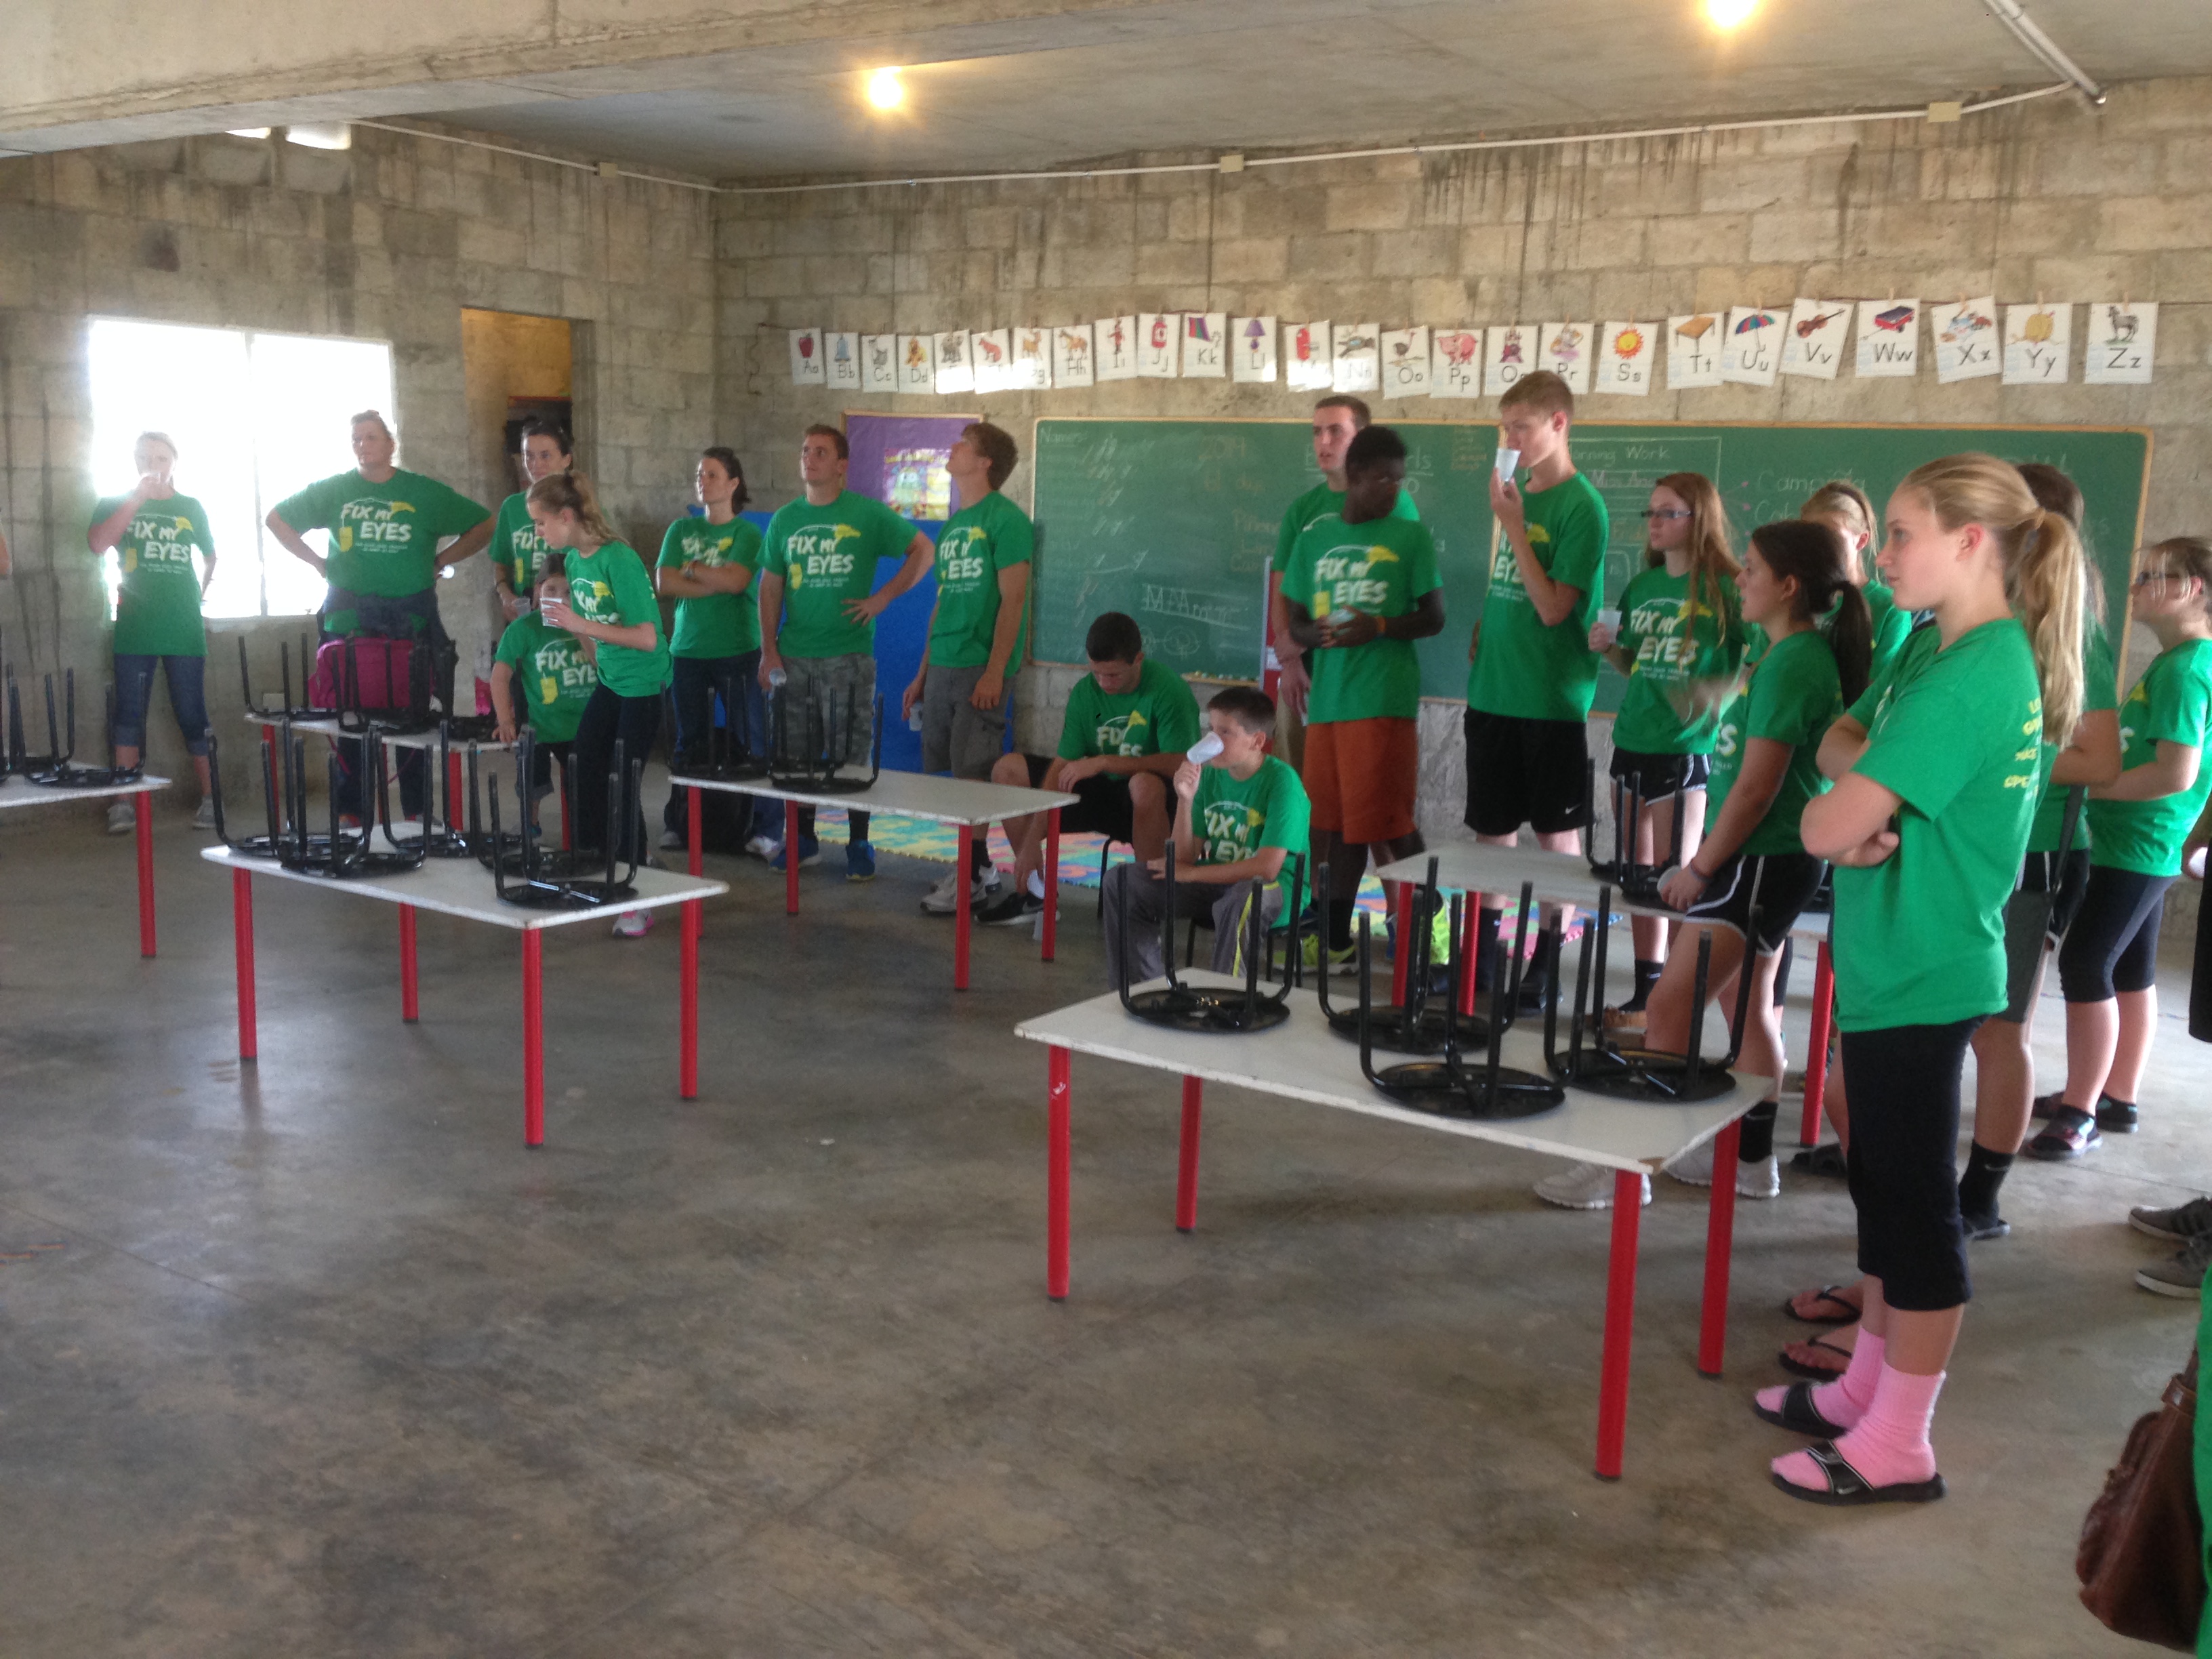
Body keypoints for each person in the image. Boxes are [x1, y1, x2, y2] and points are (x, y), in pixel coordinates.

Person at [1755, 453, 2083, 1506]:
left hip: (1925, 966)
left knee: (1917, 1213)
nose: (1881, 554)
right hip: (1899, 959)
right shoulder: (1938, 649)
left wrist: (1849, 815)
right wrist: (1861, 802)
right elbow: (1844, 744)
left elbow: (1820, 822)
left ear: (1970, 542)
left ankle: (1901, 1441)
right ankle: (1864, 1389)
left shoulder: (1976, 674)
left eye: (1900, 533)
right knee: (1886, 1194)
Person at [1539, 520, 1866, 1211]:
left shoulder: (1795, 662)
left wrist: (1700, 866)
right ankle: (1749, 1162)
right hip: (1766, 861)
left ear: (1789, 586)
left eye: (1751, 569)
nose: (1738, 579)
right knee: (1747, 1011)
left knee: (1667, 1008)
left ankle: (1628, 1167)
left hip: (1757, 860)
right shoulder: (1784, 656)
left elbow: (1757, 789)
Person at [2029, 536, 2212, 1168]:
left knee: (2086, 964)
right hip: (2134, 842)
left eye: (2150, 577)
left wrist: (2092, 783)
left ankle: (2080, 1114)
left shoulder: (2188, 668)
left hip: (2138, 844)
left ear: (2190, 589)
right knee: (2132, 971)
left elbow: (2177, 773)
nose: (2134, 588)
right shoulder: (2180, 662)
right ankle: (2116, 1097)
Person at [1463, 370, 1610, 1008]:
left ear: (1559, 423)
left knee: (1555, 835)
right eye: (1505, 428)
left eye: (1521, 427)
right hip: (1494, 689)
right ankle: (1482, 956)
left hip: (1549, 698)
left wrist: (1515, 525)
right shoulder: (1516, 494)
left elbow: (1553, 609)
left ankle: (1547, 960)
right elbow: (1511, 584)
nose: (1512, 439)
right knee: (1491, 831)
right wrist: (1486, 625)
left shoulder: (1582, 506)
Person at [266, 410, 492, 818]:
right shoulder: (335, 490)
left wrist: (441, 560)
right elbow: (277, 519)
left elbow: (484, 524)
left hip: (411, 618)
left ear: (390, 444)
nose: (363, 445)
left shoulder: (422, 492)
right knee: (351, 717)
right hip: (348, 619)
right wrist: (317, 562)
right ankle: (352, 812)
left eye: (371, 437)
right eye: (356, 438)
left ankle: (416, 812)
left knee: (414, 718)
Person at [1277, 424, 1444, 970]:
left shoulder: (1410, 537)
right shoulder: (1314, 539)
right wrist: (1319, 634)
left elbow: (1434, 617)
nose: (1392, 490)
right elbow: (1296, 623)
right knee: (1337, 825)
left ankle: (1436, 927)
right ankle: (1334, 939)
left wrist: (1379, 626)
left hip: (1383, 701)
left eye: (1398, 479)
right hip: (1329, 702)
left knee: (1390, 822)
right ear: (1352, 476)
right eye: (1381, 479)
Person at [1593, 471, 1745, 1021]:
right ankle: (1647, 988)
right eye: (1651, 513)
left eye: (1667, 513)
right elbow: (1633, 664)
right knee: (1636, 876)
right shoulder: (1643, 586)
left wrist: (1722, 693)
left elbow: (1760, 658)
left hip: (1685, 745)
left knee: (1675, 876)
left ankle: (1678, 1002)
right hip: (1633, 736)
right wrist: (1609, 649)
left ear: (1698, 519)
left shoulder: (1729, 587)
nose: (1654, 523)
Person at [757, 424, 935, 881]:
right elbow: (770, 586)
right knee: (794, 755)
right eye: (805, 450)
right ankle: (803, 840)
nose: (809, 458)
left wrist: (884, 597)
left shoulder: (867, 513)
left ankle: (859, 842)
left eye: (820, 452)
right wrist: (769, 651)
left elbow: (923, 550)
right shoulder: (784, 520)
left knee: (852, 753)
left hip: (849, 655)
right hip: (795, 655)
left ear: (842, 465)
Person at [987, 613, 1201, 927]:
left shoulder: (1169, 690)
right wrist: (1032, 839)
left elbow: (1182, 762)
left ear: (1138, 660)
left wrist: (1106, 761)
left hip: (1154, 804)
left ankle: (1149, 903)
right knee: (1008, 769)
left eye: (1113, 675)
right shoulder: (1085, 692)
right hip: (1100, 795)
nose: (1103, 683)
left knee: (1144, 784)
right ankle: (1036, 892)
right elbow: (1062, 764)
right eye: (1096, 672)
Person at [530, 471, 670, 938]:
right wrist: (589, 648)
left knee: (623, 781)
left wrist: (581, 626)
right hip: (612, 682)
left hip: (644, 685)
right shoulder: (574, 561)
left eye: (542, 522)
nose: (539, 533)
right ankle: (594, 864)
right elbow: (588, 629)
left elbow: (647, 637)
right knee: (584, 764)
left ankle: (637, 892)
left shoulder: (619, 559)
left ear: (567, 517)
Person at [903, 422, 1033, 919]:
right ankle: (979, 867)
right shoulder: (956, 523)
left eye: (964, 445)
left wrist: (995, 671)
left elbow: (1013, 600)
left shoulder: (1007, 520)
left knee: (975, 773)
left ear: (985, 463)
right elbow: (942, 603)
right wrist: (923, 672)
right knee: (951, 778)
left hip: (981, 663)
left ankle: (971, 876)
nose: (952, 449)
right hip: (945, 660)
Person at [1101, 687, 1309, 988]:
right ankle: (1141, 990)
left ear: (1257, 741)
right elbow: (1182, 858)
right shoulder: (1210, 775)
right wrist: (1185, 799)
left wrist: (1191, 874)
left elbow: (1266, 869)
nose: (1213, 740)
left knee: (1243, 897)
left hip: (1274, 890)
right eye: (1211, 729)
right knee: (1123, 882)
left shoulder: (1282, 782)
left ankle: (1228, 997)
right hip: (1216, 879)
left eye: (1225, 732)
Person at [1267, 395, 1419, 770]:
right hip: (1304, 669)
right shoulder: (1302, 509)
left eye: (1336, 431)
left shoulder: (1393, 504)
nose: (1324, 442)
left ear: (1361, 439)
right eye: (1317, 432)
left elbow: (1385, 594)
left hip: (1364, 674)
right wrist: (1290, 661)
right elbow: (1282, 588)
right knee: (1296, 775)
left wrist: (1309, 637)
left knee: (1357, 779)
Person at [87, 432, 218, 831]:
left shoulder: (190, 507)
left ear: (174, 462)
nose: (153, 465)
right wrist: (136, 499)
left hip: (183, 626)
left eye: (161, 458)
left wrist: (200, 596)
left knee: (192, 711)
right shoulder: (116, 503)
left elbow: (211, 556)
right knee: (128, 713)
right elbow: (98, 544)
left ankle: (212, 799)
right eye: (145, 458)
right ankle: (123, 801)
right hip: (136, 624)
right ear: (135, 462)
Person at [656, 447, 777, 856]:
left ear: (733, 484)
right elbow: (664, 583)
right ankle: (680, 823)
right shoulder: (680, 529)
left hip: (737, 649)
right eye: (699, 475)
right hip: (688, 650)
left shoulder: (747, 533)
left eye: (712, 475)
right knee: (687, 741)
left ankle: (764, 828)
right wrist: (715, 580)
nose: (703, 482)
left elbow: (738, 581)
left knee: (751, 740)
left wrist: (692, 569)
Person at [489, 552, 594, 798]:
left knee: (587, 789)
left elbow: (603, 665)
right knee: (531, 783)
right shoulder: (524, 628)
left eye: (569, 592)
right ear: (538, 592)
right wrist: (505, 720)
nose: (560, 599)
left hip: (585, 724)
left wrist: (579, 628)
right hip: (541, 725)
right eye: (551, 591)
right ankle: (531, 817)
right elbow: (500, 676)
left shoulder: (592, 624)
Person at [1801, 480, 1914, 683]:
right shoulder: (1793, 599)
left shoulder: (1890, 609)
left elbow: (1878, 691)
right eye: (1809, 537)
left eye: (1832, 537)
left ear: (1861, 540)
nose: (1818, 547)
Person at [489, 418, 574, 622]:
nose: (536, 465)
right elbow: (501, 564)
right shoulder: (512, 507)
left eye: (545, 456)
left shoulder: (581, 506)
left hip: (570, 615)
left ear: (566, 460)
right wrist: (505, 595)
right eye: (529, 456)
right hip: (524, 616)